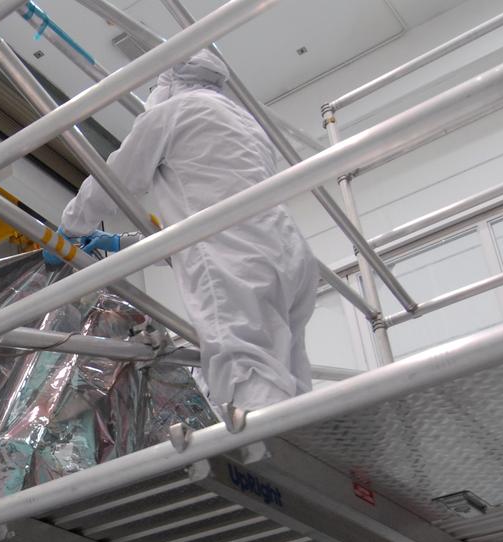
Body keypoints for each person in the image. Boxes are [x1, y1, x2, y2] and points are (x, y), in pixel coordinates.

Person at [55, 49, 319, 413]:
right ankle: (305, 443)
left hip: (237, 261)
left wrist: (69, 227)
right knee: (289, 368)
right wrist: (120, 243)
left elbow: (113, 179)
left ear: (167, 81)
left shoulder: (171, 113)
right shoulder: (243, 123)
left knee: (248, 374)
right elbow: (208, 203)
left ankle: (277, 460)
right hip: (287, 253)